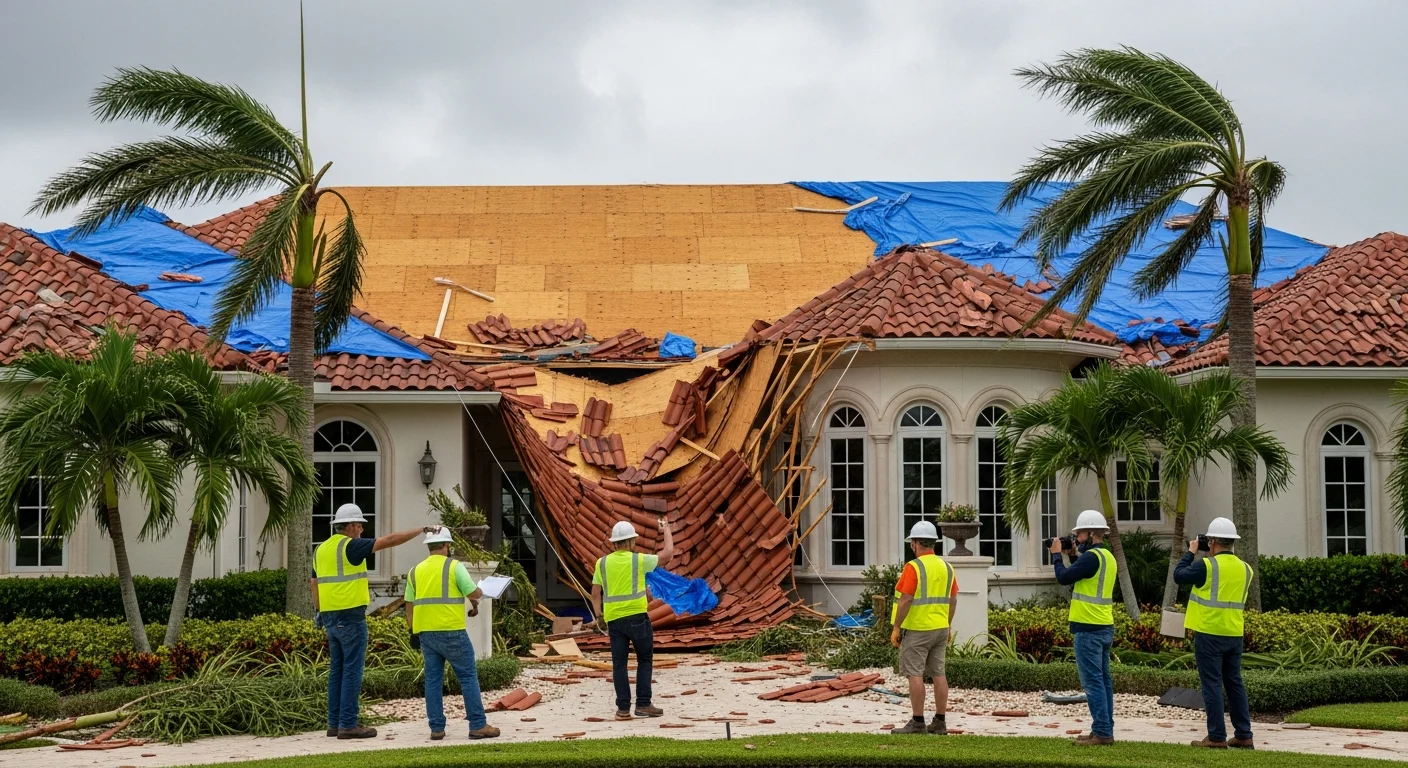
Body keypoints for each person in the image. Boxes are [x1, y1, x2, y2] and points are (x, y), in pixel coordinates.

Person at [311, 503, 432, 739]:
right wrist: (421, 530)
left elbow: (314, 585)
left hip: (329, 618)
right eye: (360, 526)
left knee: (337, 670)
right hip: (350, 617)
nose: (362, 531)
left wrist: (320, 612)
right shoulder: (351, 546)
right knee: (352, 670)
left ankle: (335, 723)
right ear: (353, 525)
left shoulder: (320, 550)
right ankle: (348, 724)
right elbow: (390, 540)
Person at [405, 527, 500, 741]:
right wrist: (482, 591)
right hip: (451, 631)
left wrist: (412, 629)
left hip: (426, 634)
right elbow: (472, 592)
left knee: (432, 680)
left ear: (429, 547)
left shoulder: (415, 571)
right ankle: (478, 725)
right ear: (447, 546)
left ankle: (436, 728)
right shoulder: (454, 566)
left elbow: (409, 604)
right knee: (467, 677)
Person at [1175, 517, 1255, 750]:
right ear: (1232, 542)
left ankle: (1217, 737)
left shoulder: (1207, 566)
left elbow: (1179, 576)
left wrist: (1190, 553)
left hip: (1209, 634)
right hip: (1233, 633)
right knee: (1234, 683)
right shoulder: (1246, 569)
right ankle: (1243, 734)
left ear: (1212, 542)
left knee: (1211, 684)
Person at [589, 518, 674, 720]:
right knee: (644, 659)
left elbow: (595, 594)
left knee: (620, 664)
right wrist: (666, 529)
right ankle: (643, 704)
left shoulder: (602, 563)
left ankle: (623, 709)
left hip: (614, 621)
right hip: (637, 617)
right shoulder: (638, 560)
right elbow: (668, 554)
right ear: (631, 541)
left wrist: (599, 616)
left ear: (614, 542)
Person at [1050, 509, 1117, 746]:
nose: (1076, 539)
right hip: (1104, 625)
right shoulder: (1106, 556)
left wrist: (1058, 556)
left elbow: (1064, 578)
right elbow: (1086, 575)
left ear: (1090, 533)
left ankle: (1101, 732)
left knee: (1093, 682)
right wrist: (1074, 555)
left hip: (1088, 628)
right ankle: (1104, 728)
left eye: (1078, 535)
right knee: (1103, 681)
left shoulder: (1091, 558)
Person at [888, 521, 959, 735]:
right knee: (939, 674)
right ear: (934, 543)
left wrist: (896, 627)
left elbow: (906, 600)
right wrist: (947, 625)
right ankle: (940, 721)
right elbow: (953, 600)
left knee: (914, 674)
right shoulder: (947, 567)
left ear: (915, 543)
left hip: (918, 629)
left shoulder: (914, 567)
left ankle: (918, 722)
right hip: (940, 628)